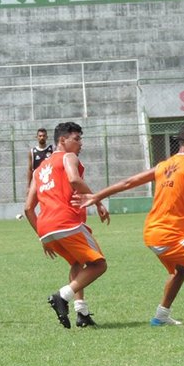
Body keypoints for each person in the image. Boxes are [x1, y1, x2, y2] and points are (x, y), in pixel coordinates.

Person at [75, 124, 184, 329]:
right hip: (170, 236)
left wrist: (97, 196)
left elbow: (128, 182)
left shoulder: (163, 166)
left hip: (152, 233)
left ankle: (161, 316)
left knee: (181, 270)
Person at [24, 122, 110, 329]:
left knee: (76, 264)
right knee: (99, 265)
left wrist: (42, 237)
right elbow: (74, 179)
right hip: (67, 223)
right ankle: (62, 296)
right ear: (62, 140)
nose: (81, 144)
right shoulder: (68, 157)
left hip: (46, 228)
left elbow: (28, 208)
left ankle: (82, 312)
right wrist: (97, 200)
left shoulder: (40, 169)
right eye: (77, 139)